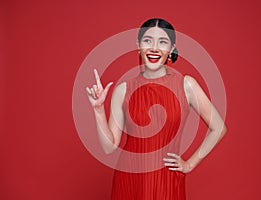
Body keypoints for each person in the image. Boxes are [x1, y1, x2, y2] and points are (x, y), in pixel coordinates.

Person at [86, 18, 227, 200]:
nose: (154, 48)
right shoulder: (123, 89)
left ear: (171, 49)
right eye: (147, 40)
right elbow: (109, 147)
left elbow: (218, 128)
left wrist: (190, 164)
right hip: (129, 179)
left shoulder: (186, 85)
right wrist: (98, 109)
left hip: (166, 180)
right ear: (138, 46)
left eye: (162, 42)